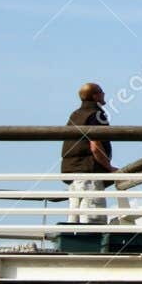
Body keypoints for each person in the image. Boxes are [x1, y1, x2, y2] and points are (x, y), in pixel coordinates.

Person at [62, 81, 117, 225]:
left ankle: (73, 243)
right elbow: (95, 146)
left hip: (73, 171)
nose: (104, 94)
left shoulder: (75, 115)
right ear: (95, 96)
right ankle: (90, 244)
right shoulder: (96, 115)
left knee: (75, 213)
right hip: (88, 170)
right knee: (92, 214)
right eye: (101, 91)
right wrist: (109, 168)